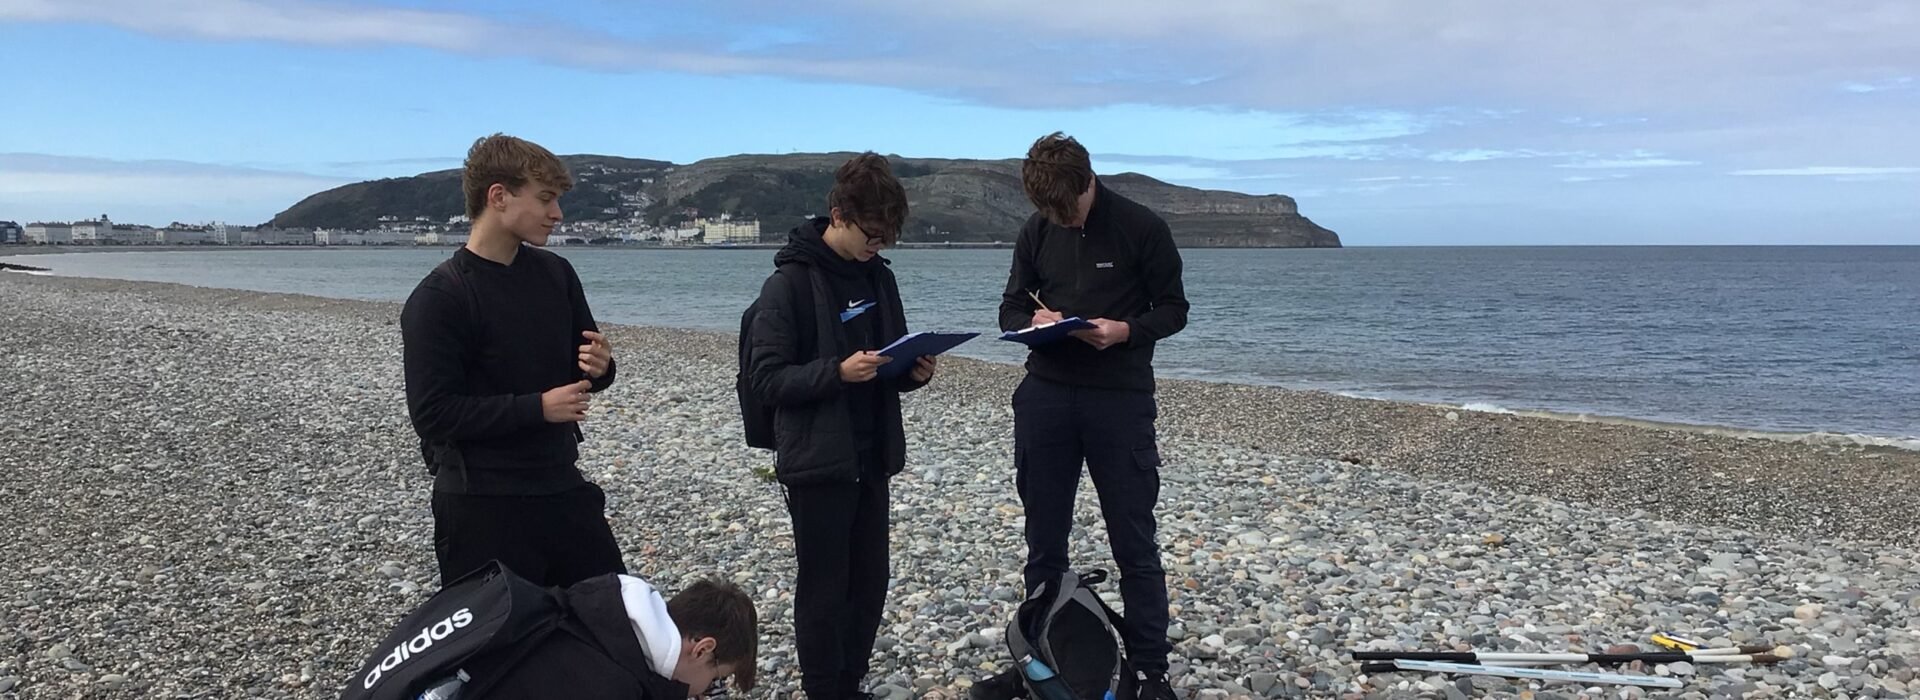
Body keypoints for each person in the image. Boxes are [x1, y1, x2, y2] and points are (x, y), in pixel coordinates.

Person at [996, 132, 1189, 700]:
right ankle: (1037, 660)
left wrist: (1127, 331)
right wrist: (1035, 323)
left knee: (1134, 541)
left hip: (1119, 398)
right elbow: (1010, 304)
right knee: (1044, 541)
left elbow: (1175, 309)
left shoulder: (1142, 226)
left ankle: (1151, 670)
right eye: (1049, 212)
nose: (1061, 219)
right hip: (1047, 396)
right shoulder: (1037, 229)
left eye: (1068, 208)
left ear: (1089, 180)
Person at [743, 152, 936, 699]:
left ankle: (850, 682)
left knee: (870, 582)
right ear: (837, 215)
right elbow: (768, 380)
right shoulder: (788, 285)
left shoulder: (879, 277)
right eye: (871, 233)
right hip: (816, 458)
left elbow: (891, 360)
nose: (878, 244)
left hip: (871, 453)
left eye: (887, 236)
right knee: (825, 587)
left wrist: (914, 373)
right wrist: (838, 372)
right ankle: (825, 690)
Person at [400, 133, 623, 589]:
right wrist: (537, 408)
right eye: (545, 199)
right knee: (501, 651)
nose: (557, 214)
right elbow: (433, 414)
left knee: (611, 624)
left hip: (560, 483)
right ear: (498, 197)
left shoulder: (555, 273)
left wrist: (602, 368)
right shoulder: (440, 297)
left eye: (557, 200)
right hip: (481, 500)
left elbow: (581, 372)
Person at [458, 573, 760, 699]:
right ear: (703, 649)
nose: (709, 691)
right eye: (718, 679)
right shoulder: (616, 684)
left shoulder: (604, 617)